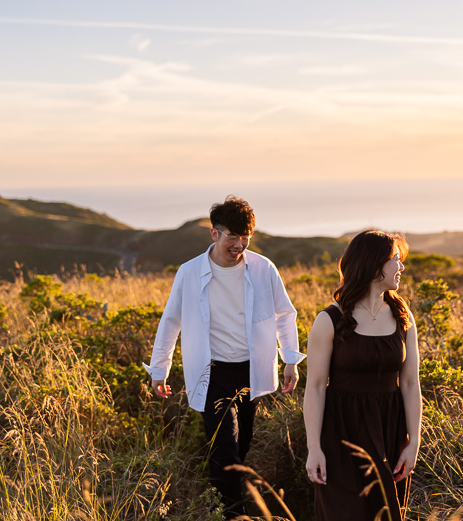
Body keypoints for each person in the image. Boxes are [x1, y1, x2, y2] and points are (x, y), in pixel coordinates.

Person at [144, 196, 305, 518]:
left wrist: (290, 358)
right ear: (214, 234)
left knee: (241, 444)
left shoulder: (263, 268)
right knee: (224, 447)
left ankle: (227, 496)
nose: (239, 244)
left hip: (251, 369)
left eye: (246, 237)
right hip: (211, 371)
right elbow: (171, 321)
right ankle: (233, 513)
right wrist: (159, 369)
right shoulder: (190, 273)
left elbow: (285, 314)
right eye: (233, 236)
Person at [303, 229, 422, 521]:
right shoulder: (329, 320)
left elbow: (409, 383)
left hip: (390, 432)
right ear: (374, 264)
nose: (402, 266)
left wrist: (414, 441)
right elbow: (316, 387)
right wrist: (314, 448)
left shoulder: (402, 315)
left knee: (386, 514)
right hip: (341, 433)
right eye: (396, 259)